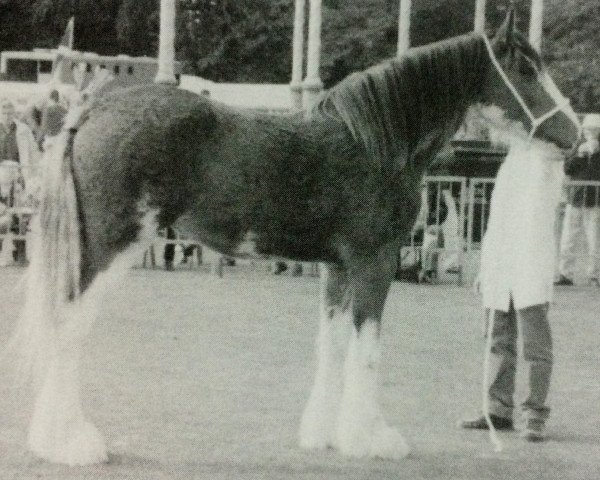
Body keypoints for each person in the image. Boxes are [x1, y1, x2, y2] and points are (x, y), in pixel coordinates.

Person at [460, 140, 564, 442]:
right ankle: (497, 408)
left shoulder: (548, 156)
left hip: (530, 261)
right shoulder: (511, 161)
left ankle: (534, 414)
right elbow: (496, 221)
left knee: (536, 345)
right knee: (497, 339)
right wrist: (485, 267)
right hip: (500, 264)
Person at [555, 113, 600, 286]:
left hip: (595, 201)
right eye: (588, 129)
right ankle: (566, 273)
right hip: (575, 199)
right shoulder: (578, 147)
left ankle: (594, 275)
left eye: (595, 130)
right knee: (568, 238)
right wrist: (580, 156)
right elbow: (566, 168)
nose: (591, 133)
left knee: (594, 240)